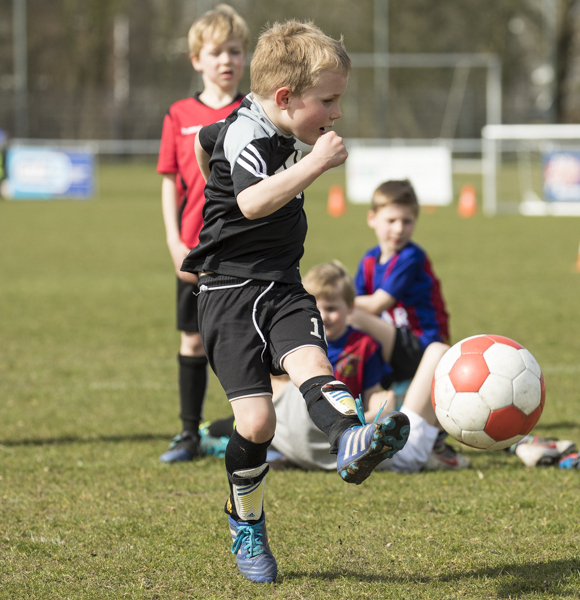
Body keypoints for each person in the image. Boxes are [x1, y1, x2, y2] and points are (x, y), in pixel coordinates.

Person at [182, 21, 410, 584]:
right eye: (327, 102)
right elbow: (254, 201)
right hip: (227, 292)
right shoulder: (249, 134)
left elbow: (202, 140)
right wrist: (314, 164)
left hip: (283, 286)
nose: (335, 115)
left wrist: (207, 149)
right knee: (256, 422)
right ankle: (246, 520)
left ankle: (351, 439)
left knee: (312, 364)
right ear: (284, 98)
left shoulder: (249, 127)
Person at [202, 261, 449, 474]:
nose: (322, 315)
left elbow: (373, 396)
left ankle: (435, 442)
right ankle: (435, 443)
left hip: (334, 442)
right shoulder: (299, 350)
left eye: (331, 308)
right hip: (376, 448)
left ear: (350, 309)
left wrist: (377, 415)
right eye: (315, 308)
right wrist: (381, 419)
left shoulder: (361, 346)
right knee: (438, 352)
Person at [155, 5, 248, 463]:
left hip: (244, 249)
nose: (226, 60)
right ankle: (188, 434)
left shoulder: (254, 111)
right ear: (197, 59)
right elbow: (170, 182)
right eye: (216, 52)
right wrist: (174, 243)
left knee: (249, 341)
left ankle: (255, 431)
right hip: (193, 249)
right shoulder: (179, 113)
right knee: (192, 339)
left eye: (235, 51)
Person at [348, 179, 470, 470]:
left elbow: (376, 304)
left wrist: (323, 297)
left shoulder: (411, 256)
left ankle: (432, 437)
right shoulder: (368, 261)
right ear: (372, 218)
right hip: (392, 352)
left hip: (424, 348)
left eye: (407, 221)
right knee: (346, 327)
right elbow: (352, 300)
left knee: (350, 316)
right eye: (391, 220)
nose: (399, 228)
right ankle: (431, 439)